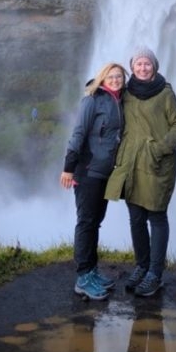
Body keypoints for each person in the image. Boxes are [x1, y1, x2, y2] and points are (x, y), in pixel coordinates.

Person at [105, 47, 176, 297]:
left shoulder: (165, 93)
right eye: (138, 63)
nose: (143, 68)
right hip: (130, 164)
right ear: (132, 66)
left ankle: (155, 273)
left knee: (157, 217)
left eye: (147, 64)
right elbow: (104, 97)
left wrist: (160, 148)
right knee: (136, 218)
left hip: (157, 164)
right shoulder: (126, 93)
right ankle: (141, 266)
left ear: (154, 66)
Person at [60, 62, 127, 301]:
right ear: (102, 78)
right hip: (86, 170)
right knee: (86, 222)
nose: (116, 80)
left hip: (104, 172)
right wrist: (69, 168)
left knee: (95, 222)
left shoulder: (118, 101)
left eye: (119, 76)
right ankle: (82, 279)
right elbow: (78, 133)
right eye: (111, 76)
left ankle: (92, 271)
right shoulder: (92, 99)